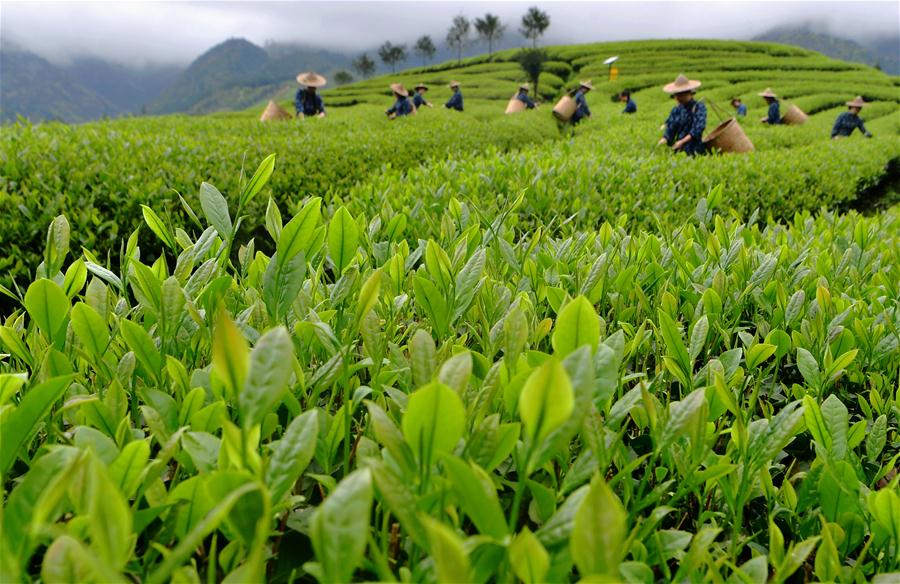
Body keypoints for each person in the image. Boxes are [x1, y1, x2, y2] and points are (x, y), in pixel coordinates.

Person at [657, 74, 707, 156]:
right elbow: (671, 128)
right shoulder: (676, 110)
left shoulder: (698, 107)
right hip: (679, 150)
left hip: (695, 149)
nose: (678, 98)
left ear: (690, 93)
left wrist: (682, 142)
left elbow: (698, 128)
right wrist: (665, 139)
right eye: (676, 95)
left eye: (681, 95)